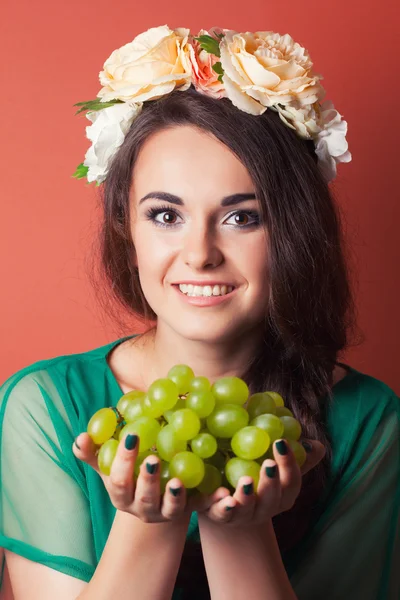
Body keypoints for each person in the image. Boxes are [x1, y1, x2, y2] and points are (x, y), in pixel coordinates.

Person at [0, 24, 398, 600]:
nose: (200, 254)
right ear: (125, 226)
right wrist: (147, 520)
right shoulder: (44, 409)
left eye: (242, 217)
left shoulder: (369, 423)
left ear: (292, 230)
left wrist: (240, 531)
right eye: (166, 216)